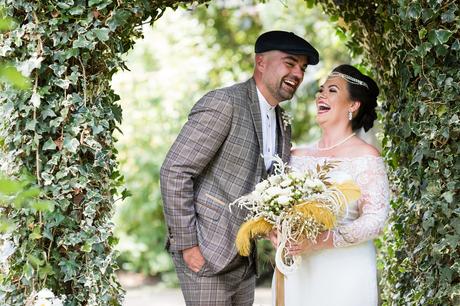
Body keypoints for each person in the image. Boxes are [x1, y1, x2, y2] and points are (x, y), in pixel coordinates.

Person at [160, 30, 319, 305]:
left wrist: (273, 228)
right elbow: (175, 170)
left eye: (302, 68)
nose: (298, 73)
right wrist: (188, 246)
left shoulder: (283, 121)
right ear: (261, 62)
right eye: (290, 63)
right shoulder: (225, 103)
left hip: (245, 259)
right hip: (206, 254)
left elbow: (264, 188)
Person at [271, 64, 390, 305]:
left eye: (332, 90)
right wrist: (276, 231)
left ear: (353, 106)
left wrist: (319, 240)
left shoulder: (366, 157)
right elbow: (277, 207)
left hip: (346, 270)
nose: (320, 95)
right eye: (321, 90)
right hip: (298, 270)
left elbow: (376, 220)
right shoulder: (296, 155)